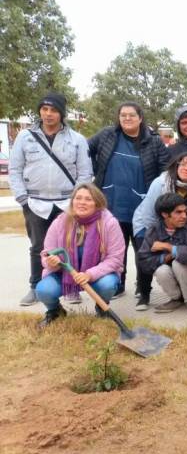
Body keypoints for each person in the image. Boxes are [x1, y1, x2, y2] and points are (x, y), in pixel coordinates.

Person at [9, 93, 93, 306]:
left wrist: (77, 202)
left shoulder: (76, 140)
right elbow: (15, 169)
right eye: (44, 109)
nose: (48, 114)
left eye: (53, 110)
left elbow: (85, 174)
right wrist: (22, 199)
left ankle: (71, 288)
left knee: (70, 246)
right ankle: (36, 287)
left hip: (67, 204)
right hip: (35, 203)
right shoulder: (24, 137)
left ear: (61, 114)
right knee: (38, 247)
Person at [88, 101, 171, 298]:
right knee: (115, 248)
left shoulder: (154, 141)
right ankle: (117, 284)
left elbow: (165, 168)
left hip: (142, 206)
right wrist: (96, 171)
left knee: (143, 248)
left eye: (131, 115)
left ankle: (143, 289)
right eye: (123, 115)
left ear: (140, 118)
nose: (127, 118)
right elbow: (85, 150)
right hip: (111, 202)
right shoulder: (107, 135)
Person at [36, 183, 125, 329]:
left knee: (107, 285)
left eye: (88, 199)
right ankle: (55, 311)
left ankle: (102, 309)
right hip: (64, 274)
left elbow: (115, 258)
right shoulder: (60, 222)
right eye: (78, 198)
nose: (82, 203)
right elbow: (47, 253)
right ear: (72, 201)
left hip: (97, 276)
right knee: (43, 290)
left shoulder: (109, 223)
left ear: (97, 203)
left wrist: (89, 274)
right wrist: (50, 262)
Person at [132, 153, 187, 310]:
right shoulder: (160, 183)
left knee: (181, 260)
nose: (186, 168)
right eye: (182, 164)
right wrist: (160, 234)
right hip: (151, 224)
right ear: (176, 166)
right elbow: (149, 215)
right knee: (147, 256)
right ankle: (144, 294)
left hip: (183, 226)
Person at [136, 193, 187, 317]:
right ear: (165, 214)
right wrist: (165, 257)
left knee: (178, 263)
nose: (184, 216)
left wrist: (168, 247)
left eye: (185, 212)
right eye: (178, 212)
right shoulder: (153, 231)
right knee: (162, 270)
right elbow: (144, 262)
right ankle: (177, 299)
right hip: (175, 278)